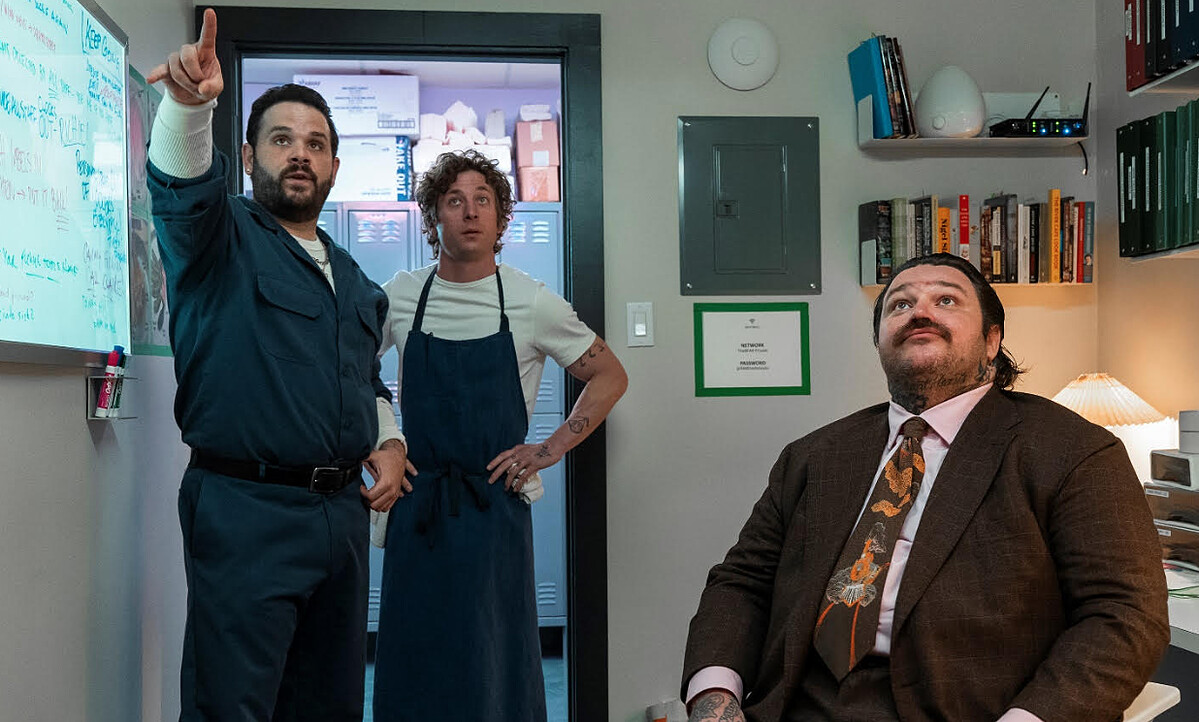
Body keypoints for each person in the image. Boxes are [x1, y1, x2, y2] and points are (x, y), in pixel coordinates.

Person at [682, 253, 1170, 722]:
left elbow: (1123, 616)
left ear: (992, 340)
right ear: (880, 343)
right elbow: (741, 583)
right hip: (800, 706)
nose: (919, 312)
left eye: (946, 300)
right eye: (900, 303)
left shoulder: (1072, 450)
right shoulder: (813, 456)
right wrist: (714, 699)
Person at [145, 9, 410, 720]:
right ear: (249, 153)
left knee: (328, 705)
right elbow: (181, 185)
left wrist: (389, 439)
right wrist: (189, 107)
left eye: (316, 144)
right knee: (232, 706)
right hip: (246, 513)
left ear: (334, 167)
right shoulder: (219, 238)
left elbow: (361, 378)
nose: (300, 154)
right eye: (281, 139)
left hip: (340, 521)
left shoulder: (354, 279)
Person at [371, 149, 628, 721]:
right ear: (432, 217)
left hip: (494, 510)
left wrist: (548, 449)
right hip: (419, 503)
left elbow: (610, 375)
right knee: (416, 661)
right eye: (454, 200)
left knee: (492, 662)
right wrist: (389, 439)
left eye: (482, 200)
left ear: (500, 217)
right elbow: (351, 370)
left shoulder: (531, 301)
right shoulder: (401, 296)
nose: (469, 212)